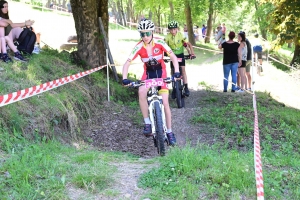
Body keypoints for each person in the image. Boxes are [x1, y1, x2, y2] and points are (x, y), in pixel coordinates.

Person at [122, 19, 179, 146]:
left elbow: (173, 57)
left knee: (165, 103)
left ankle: (169, 132)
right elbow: (127, 63)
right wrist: (124, 78)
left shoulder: (160, 42)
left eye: (147, 33)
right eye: (142, 34)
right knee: (141, 91)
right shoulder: (138, 46)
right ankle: (147, 122)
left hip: (161, 73)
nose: (145, 37)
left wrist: (176, 72)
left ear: (152, 32)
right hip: (148, 74)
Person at [164, 20, 196, 97]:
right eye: (171, 29)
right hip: (172, 56)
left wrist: (192, 53)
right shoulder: (167, 37)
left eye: (174, 29)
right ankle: (174, 88)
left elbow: (188, 44)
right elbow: (163, 46)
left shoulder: (181, 35)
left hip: (180, 55)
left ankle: (186, 87)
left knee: (183, 70)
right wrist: (163, 56)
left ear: (177, 29)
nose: (173, 31)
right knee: (172, 71)